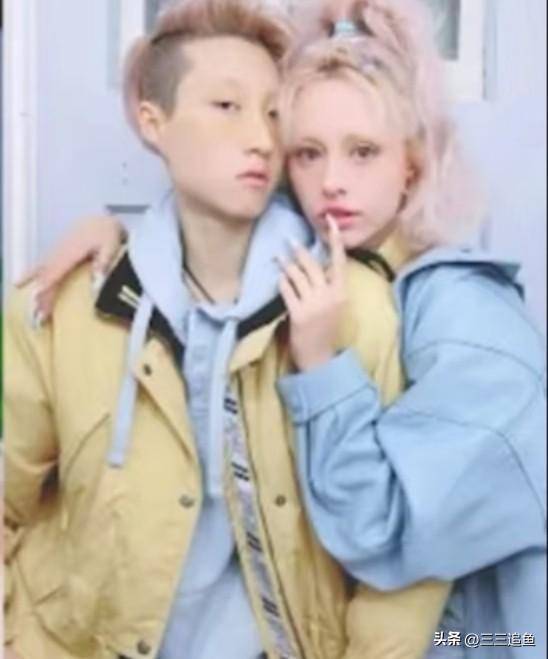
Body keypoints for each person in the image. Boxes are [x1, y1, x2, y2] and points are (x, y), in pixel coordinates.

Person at [23, 0, 547, 656]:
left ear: (411, 167)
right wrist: (117, 244)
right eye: (306, 153)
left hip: (493, 635)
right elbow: (213, 213)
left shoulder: (463, 317)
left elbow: (388, 533)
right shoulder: (325, 264)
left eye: (363, 152)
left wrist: (322, 367)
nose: (332, 183)